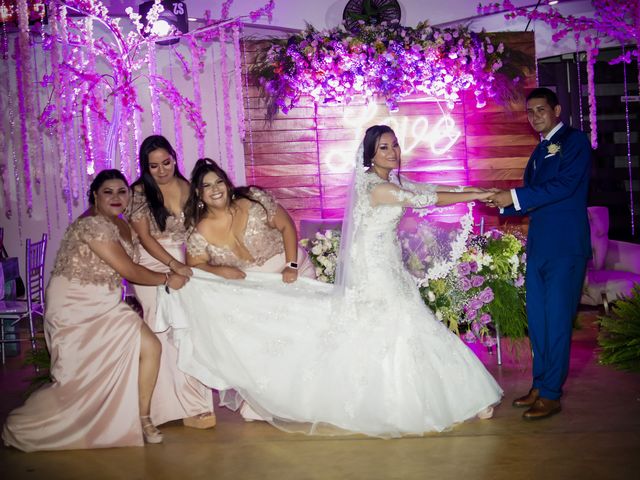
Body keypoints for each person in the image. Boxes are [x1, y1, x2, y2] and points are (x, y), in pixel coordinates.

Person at [157, 126, 502, 438]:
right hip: (374, 270)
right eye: (384, 147)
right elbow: (426, 199)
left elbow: (427, 188)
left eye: (395, 146)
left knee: (399, 326)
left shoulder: (389, 180)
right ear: (370, 155)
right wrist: (474, 195)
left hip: (385, 264)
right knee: (408, 324)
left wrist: (476, 189)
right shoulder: (377, 187)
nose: (393, 152)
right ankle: (459, 398)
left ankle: (425, 395)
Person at [2, 170, 188, 452]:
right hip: (76, 305)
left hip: (107, 302)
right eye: (108, 192)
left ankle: (143, 418)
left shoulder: (122, 224)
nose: (116, 197)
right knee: (80, 380)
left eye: (122, 191)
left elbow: (145, 248)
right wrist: (166, 278)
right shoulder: (93, 225)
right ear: (95, 196)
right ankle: (30, 426)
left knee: (151, 347)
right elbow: (129, 270)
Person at [486, 87, 591, 420]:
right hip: (541, 246)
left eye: (541, 110)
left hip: (565, 246)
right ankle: (540, 384)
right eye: (530, 112)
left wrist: (512, 197)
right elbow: (536, 198)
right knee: (539, 322)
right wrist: (500, 202)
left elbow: (563, 187)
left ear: (557, 110)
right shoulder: (539, 150)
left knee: (558, 321)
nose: (535, 116)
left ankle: (551, 393)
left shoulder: (575, 142)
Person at [128, 135, 215, 429]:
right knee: (161, 331)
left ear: (175, 158)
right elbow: (144, 238)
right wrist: (173, 265)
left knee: (188, 329)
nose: (162, 170)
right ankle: (163, 408)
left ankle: (194, 404)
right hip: (151, 264)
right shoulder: (139, 193)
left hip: (184, 263)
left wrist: (198, 262)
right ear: (145, 167)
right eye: (154, 166)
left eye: (166, 162)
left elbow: (200, 230)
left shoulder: (189, 188)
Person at [183, 158, 315, 282]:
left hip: (295, 272)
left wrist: (291, 265)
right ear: (198, 193)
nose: (215, 189)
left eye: (219, 182)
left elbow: (287, 225)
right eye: (207, 186)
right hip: (255, 288)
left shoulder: (254, 200)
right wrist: (220, 271)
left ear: (227, 185)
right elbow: (195, 265)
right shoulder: (199, 231)